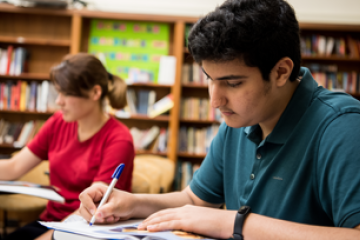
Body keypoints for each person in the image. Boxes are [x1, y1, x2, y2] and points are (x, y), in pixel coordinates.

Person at [78, 0, 360, 239]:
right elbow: (194, 200)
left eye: (233, 83)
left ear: (281, 72)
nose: (215, 101)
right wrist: (131, 203)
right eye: (210, 80)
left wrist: (234, 222)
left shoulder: (341, 127)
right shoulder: (240, 120)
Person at [0, 53, 135, 240]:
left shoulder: (119, 139)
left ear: (95, 93)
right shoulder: (58, 122)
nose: (58, 101)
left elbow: (94, 206)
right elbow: (14, 167)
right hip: (51, 222)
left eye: (66, 93)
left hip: (85, 229)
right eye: (58, 92)